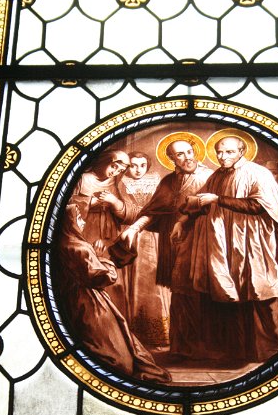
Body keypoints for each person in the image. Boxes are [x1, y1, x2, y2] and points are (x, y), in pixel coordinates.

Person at [177, 135, 278, 363]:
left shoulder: (257, 173)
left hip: (253, 241)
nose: (222, 156)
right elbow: (201, 201)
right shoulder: (217, 175)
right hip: (224, 243)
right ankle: (239, 351)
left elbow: (257, 206)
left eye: (229, 152)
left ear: (242, 152)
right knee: (231, 293)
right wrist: (182, 220)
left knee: (262, 289)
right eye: (219, 152)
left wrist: (217, 199)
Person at [117, 137, 213, 359]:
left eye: (189, 152)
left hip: (201, 241)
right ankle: (183, 349)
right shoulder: (169, 181)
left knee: (200, 291)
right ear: (171, 159)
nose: (187, 157)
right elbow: (155, 211)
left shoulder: (209, 176)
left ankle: (206, 348)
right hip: (173, 243)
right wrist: (135, 228)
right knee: (180, 292)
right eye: (180, 154)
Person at [56, 204, 171, 383]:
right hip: (91, 304)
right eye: (78, 219)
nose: (82, 222)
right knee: (116, 356)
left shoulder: (63, 244)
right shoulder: (79, 247)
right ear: (70, 223)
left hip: (71, 301)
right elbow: (102, 277)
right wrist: (103, 259)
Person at [69, 147, 138, 316]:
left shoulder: (116, 182)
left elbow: (132, 214)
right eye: (113, 167)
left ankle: (115, 321)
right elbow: (66, 208)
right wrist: (90, 203)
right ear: (104, 161)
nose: (115, 172)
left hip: (110, 237)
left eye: (120, 170)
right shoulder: (82, 178)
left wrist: (114, 202)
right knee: (90, 275)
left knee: (114, 282)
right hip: (85, 233)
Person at [119, 151, 171, 348]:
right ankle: (133, 333)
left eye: (142, 165)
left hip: (153, 236)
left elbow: (162, 208)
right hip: (128, 235)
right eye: (133, 165)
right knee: (130, 281)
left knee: (153, 280)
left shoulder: (157, 181)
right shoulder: (120, 183)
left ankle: (159, 333)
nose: (138, 170)